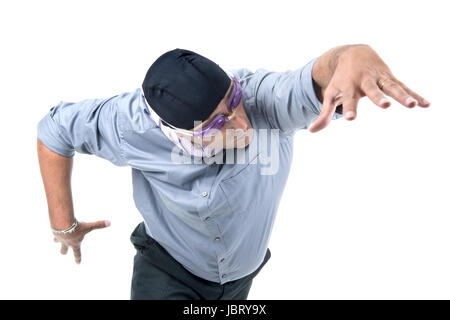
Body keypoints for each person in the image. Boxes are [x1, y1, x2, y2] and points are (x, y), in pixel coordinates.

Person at [36, 45, 430, 300]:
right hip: (167, 271)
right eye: (215, 124)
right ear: (176, 135)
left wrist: (351, 56)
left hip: (241, 279)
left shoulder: (262, 101)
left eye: (233, 101)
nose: (241, 125)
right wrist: (63, 224)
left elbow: (312, 77)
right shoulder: (130, 125)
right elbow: (54, 130)